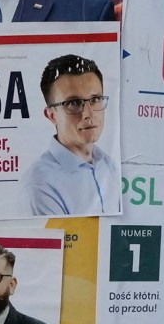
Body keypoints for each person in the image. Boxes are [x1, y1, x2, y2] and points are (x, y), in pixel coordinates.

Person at [25, 54, 117, 215]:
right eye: (73, 103)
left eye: (95, 99)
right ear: (52, 115)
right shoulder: (40, 185)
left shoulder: (109, 164)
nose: (89, 114)